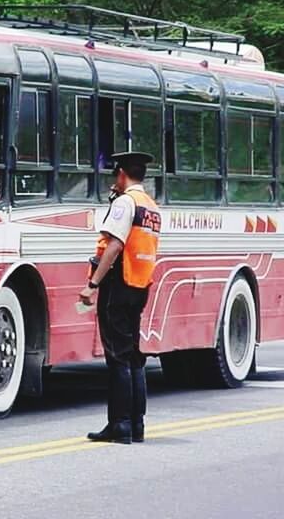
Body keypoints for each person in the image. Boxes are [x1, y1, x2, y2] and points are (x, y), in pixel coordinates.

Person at [79, 151, 162, 444]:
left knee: (117, 358)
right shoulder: (151, 206)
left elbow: (114, 246)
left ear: (122, 174)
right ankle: (137, 425)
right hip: (140, 285)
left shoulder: (126, 203)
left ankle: (120, 425)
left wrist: (92, 284)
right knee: (133, 355)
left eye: (116, 174)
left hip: (118, 284)